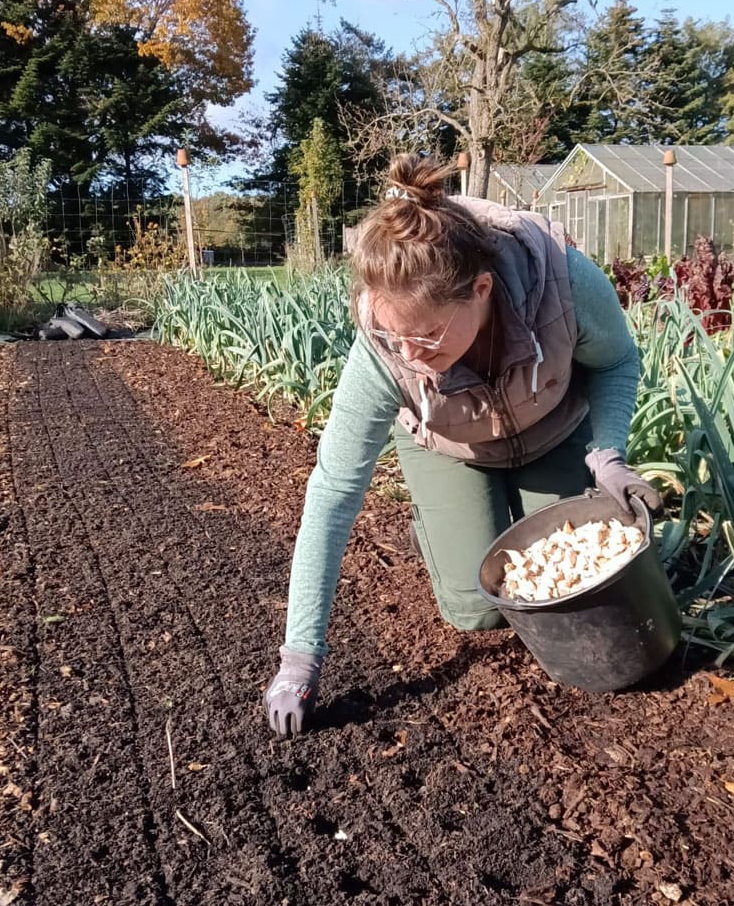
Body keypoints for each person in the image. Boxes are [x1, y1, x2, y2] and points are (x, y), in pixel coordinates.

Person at [265, 155, 661, 738]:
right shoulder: (384, 354)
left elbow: (618, 362)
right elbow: (333, 492)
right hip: (449, 443)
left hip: (553, 428)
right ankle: (438, 525)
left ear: (481, 289)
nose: (407, 354)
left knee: (566, 584)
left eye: (423, 336)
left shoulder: (564, 285)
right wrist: (300, 655)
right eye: (391, 335)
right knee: (478, 608)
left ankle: (519, 501)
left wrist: (607, 455)